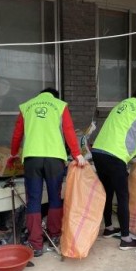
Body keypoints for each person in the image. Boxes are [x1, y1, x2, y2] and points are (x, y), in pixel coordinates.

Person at [10, 88, 86, 257]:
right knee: (54, 197)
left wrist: (13, 153)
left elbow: (17, 133)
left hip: (32, 158)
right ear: (54, 96)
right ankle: (55, 236)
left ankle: (36, 245)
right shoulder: (60, 105)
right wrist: (77, 154)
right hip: (54, 159)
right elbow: (68, 130)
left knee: (34, 199)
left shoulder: (26, 106)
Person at [91, 85, 136, 250]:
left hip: (98, 151)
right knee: (123, 196)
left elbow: (127, 125)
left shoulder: (124, 104)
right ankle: (125, 238)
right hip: (115, 155)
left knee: (108, 191)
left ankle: (108, 228)